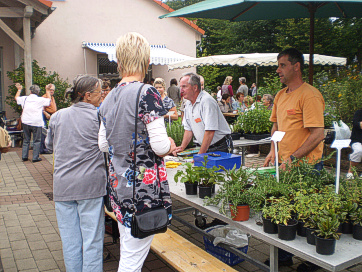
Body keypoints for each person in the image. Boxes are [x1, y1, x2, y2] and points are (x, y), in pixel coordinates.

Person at [98, 32, 176, 272]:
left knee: (129, 252)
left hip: (119, 189)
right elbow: (160, 146)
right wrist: (171, 144)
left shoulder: (109, 96)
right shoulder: (147, 93)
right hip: (143, 194)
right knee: (131, 261)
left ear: (119, 61)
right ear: (146, 61)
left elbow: (103, 144)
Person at [263, 48, 325, 270]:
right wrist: (272, 150)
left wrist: (294, 158)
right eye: (278, 65)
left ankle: (312, 260)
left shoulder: (310, 95)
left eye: (282, 65)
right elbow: (276, 126)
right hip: (284, 166)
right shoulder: (281, 95)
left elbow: (318, 133)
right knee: (285, 211)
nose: (278, 70)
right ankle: (284, 256)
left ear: (296, 66)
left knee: (307, 213)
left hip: (306, 167)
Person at [45, 75, 106, 272]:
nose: (102, 95)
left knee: (70, 241)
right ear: (87, 95)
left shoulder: (57, 116)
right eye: (99, 92)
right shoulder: (99, 117)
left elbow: (48, 145)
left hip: (63, 186)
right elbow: (107, 147)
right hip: (90, 186)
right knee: (92, 241)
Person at [173, 73, 232, 155]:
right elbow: (188, 129)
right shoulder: (188, 104)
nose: (181, 90)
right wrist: (182, 147)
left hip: (220, 146)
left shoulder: (207, 101)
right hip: (205, 146)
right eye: (180, 87)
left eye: (184, 86)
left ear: (195, 88)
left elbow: (210, 131)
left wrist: (200, 155)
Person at [15, 83, 51, 162]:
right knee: (37, 140)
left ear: (30, 91)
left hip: (26, 121)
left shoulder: (25, 99)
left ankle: (24, 156)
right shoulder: (40, 100)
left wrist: (19, 90)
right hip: (36, 122)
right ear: (38, 92)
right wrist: (47, 90)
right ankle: (35, 157)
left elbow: (16, 98)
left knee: (26, 139)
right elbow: (49, 101)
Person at [40, 83, 57, 154]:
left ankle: (48, 147)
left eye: (53, 90)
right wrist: (45, 113)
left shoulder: (52, 97)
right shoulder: (45, 97)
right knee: (44, 132)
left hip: (51, 115)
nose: (52, 91)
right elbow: (41, 107)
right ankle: (43, 148)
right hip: (45, 115)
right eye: (50, 90)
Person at [347, 109, 362, 179]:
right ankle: (350, 171)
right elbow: (357, 124)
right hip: (357, 140)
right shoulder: (359, 112)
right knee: (359, 151)